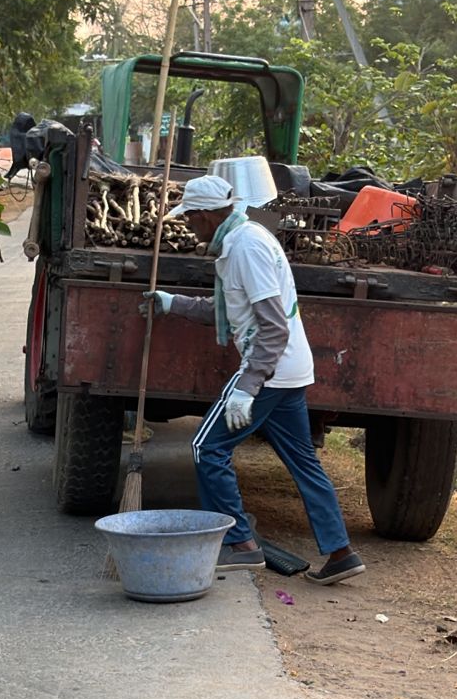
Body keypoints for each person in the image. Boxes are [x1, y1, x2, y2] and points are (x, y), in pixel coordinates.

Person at [141, 174, 364, 585]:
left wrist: (248, 386)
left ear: (207, 215)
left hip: (270, 369)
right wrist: (173, 304)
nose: (188, 226)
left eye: (190, 218)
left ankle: (241, 544)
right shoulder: (241, 239)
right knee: (304, 462)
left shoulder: (246, 247)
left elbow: (273, 328)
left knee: (207, 448)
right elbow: (230, 309)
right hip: (289, 370)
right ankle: (340, 553)